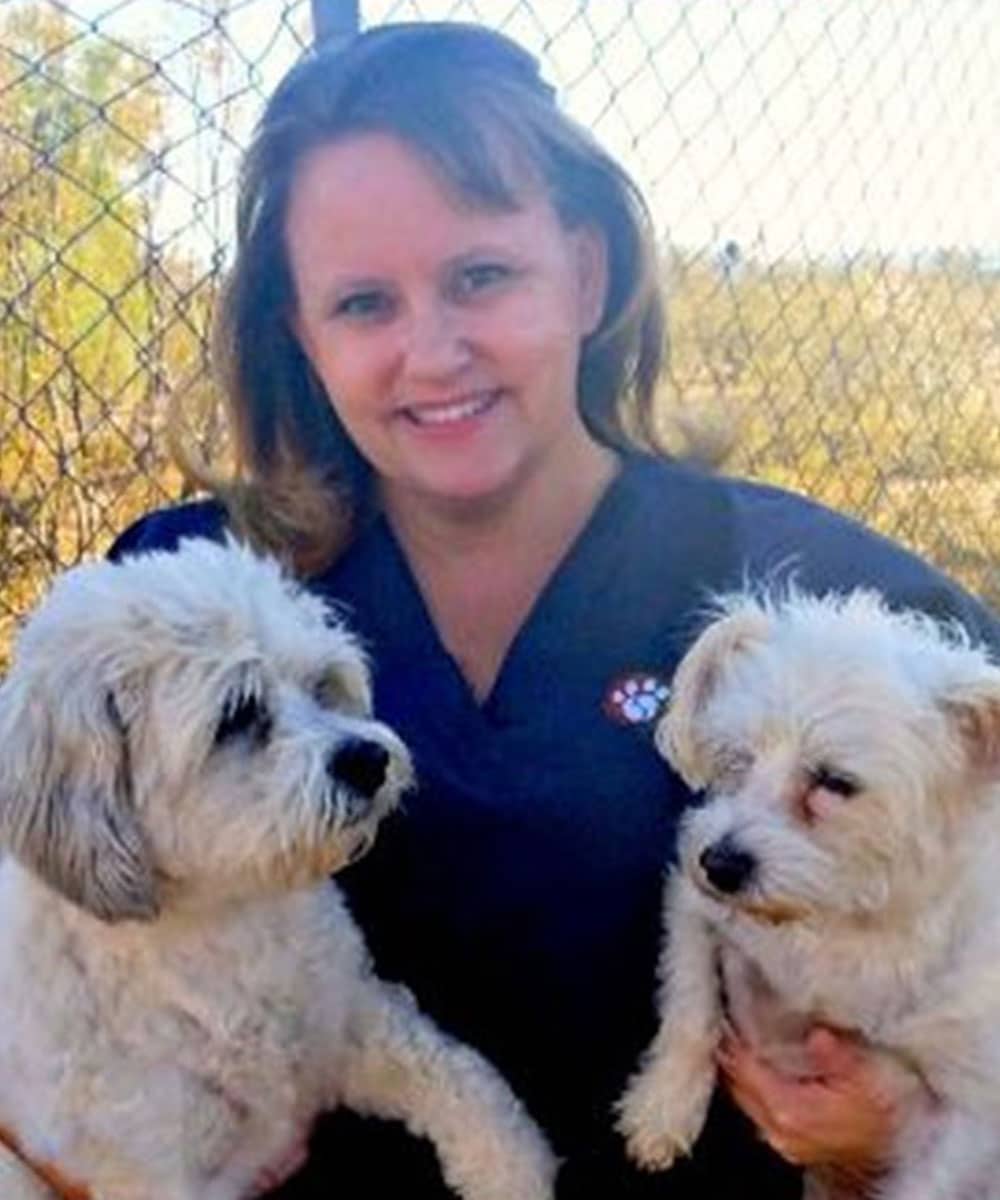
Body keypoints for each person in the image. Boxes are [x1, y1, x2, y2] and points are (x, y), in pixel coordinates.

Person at [40, 20, 1000, 1199]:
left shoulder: (822, 617)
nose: (432, 352)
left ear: (586, 273)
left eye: (480, 276)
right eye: (360, 304)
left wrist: (907, 1133)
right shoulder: (185, 596)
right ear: (299, 332)